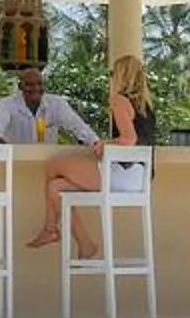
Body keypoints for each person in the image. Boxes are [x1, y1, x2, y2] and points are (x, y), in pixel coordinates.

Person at [28, 55, 154, 253]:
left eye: (112, 73)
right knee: (55, 187)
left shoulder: (119, 100)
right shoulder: (146, 106)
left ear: (121, 75)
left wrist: (105, 143)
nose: (111, 78)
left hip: (121, 174)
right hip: (139, 178)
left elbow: (129, 138)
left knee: (54, 165)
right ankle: (84, 243)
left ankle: (50, 230)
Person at [0, 66, 101, 149]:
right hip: (14, 161)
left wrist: (95, 143)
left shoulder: (56, 104)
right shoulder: (6, 104)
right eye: (29, 84)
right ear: (20, 86)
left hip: (48, 161)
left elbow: (77, 126)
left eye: (39, 83)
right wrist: (2, 149)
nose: (36, 88)